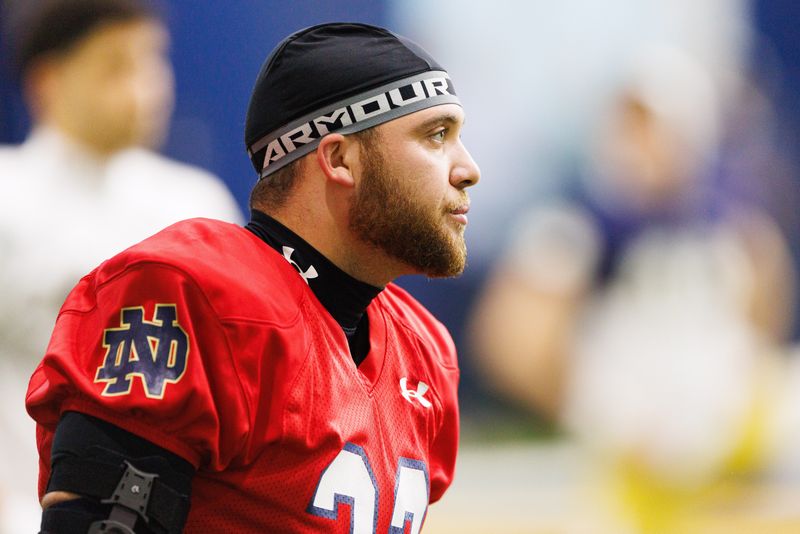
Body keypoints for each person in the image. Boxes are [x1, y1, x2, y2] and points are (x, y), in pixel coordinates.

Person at [25, 21, 480, 533]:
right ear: (339, 158)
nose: (468, 169)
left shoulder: (425, 351)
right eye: (436, 135)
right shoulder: (194, 295)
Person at [0, 1, 242, 531]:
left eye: (151, 61)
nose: (145, 86)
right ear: (50, 81)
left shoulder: (197, 208)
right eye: (115, 65)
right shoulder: (7, 198)